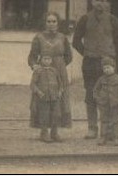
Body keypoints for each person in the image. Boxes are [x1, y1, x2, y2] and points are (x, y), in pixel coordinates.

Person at [72, 0, 118, 139]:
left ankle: (107, 128)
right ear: (92, 2)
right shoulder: (84, 19)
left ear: (108, 3)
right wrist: (87, 53)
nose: (99, 3)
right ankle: (92, 128)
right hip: (90, 62)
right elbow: (76, 41)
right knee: (91, 94)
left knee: (109, 94)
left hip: (107, 63)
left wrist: (110, 56)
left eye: (103, 0)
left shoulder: (113, 19)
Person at [28, 11, 73, 141]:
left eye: (54, 21)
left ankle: (55, 131)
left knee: (58, 101)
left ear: (58, 23)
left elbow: (69, 56)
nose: (51, 24)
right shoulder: (39, 37)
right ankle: (43, 132)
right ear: (45, 23)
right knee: (43, 100)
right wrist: (35, 66)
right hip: (43, 73)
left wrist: (60, 66)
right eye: (49, 21)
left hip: (59, 72)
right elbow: (32, 56)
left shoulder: (63, 37)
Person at [30, 54, 63, 143]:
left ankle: (54, 133)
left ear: (51, 60)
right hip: (43, 98)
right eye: (45, 59)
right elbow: (32, 85)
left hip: (54, 97)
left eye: (49, 59)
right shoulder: (38, 71)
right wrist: (39, 92)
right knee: (44, 116)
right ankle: (44, 133)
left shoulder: (54, 71)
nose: (47, 61)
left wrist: (60, 92)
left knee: (55, 115)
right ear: (41, 60)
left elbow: (60, 83)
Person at [93, 56, 118, 146]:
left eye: (108, 67)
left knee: (115, 121)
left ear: (114, 68)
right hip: (104, 104)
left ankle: (116, 138)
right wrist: (98, 99)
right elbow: (95, 90)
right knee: (104, 121)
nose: (106, 70)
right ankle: (103, 137)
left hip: (115, 104)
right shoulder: (101, 79)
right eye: (104, 68)